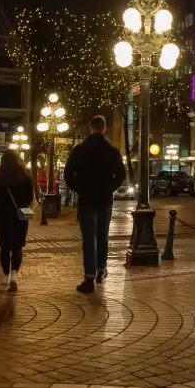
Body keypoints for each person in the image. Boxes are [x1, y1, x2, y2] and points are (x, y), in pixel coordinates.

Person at [64, 115, 125, 294]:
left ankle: (89, 278)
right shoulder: (112, 151)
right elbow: (121, 175)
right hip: (105, 199)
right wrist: (110, 188)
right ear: (105, 128)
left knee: (89, 239)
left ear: (90, 129)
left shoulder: (80, 150)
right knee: (103, 236)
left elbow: (68, 174)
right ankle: (101, 270)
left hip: (87, 200)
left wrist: (80, 188)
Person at [0, 150, 34, 291]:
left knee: (4, 247)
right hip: (19, 215)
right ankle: (14, 273)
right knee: (17, 246)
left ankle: (5, 275)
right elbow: (30, 196)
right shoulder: (25, 175)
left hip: (1, 215)